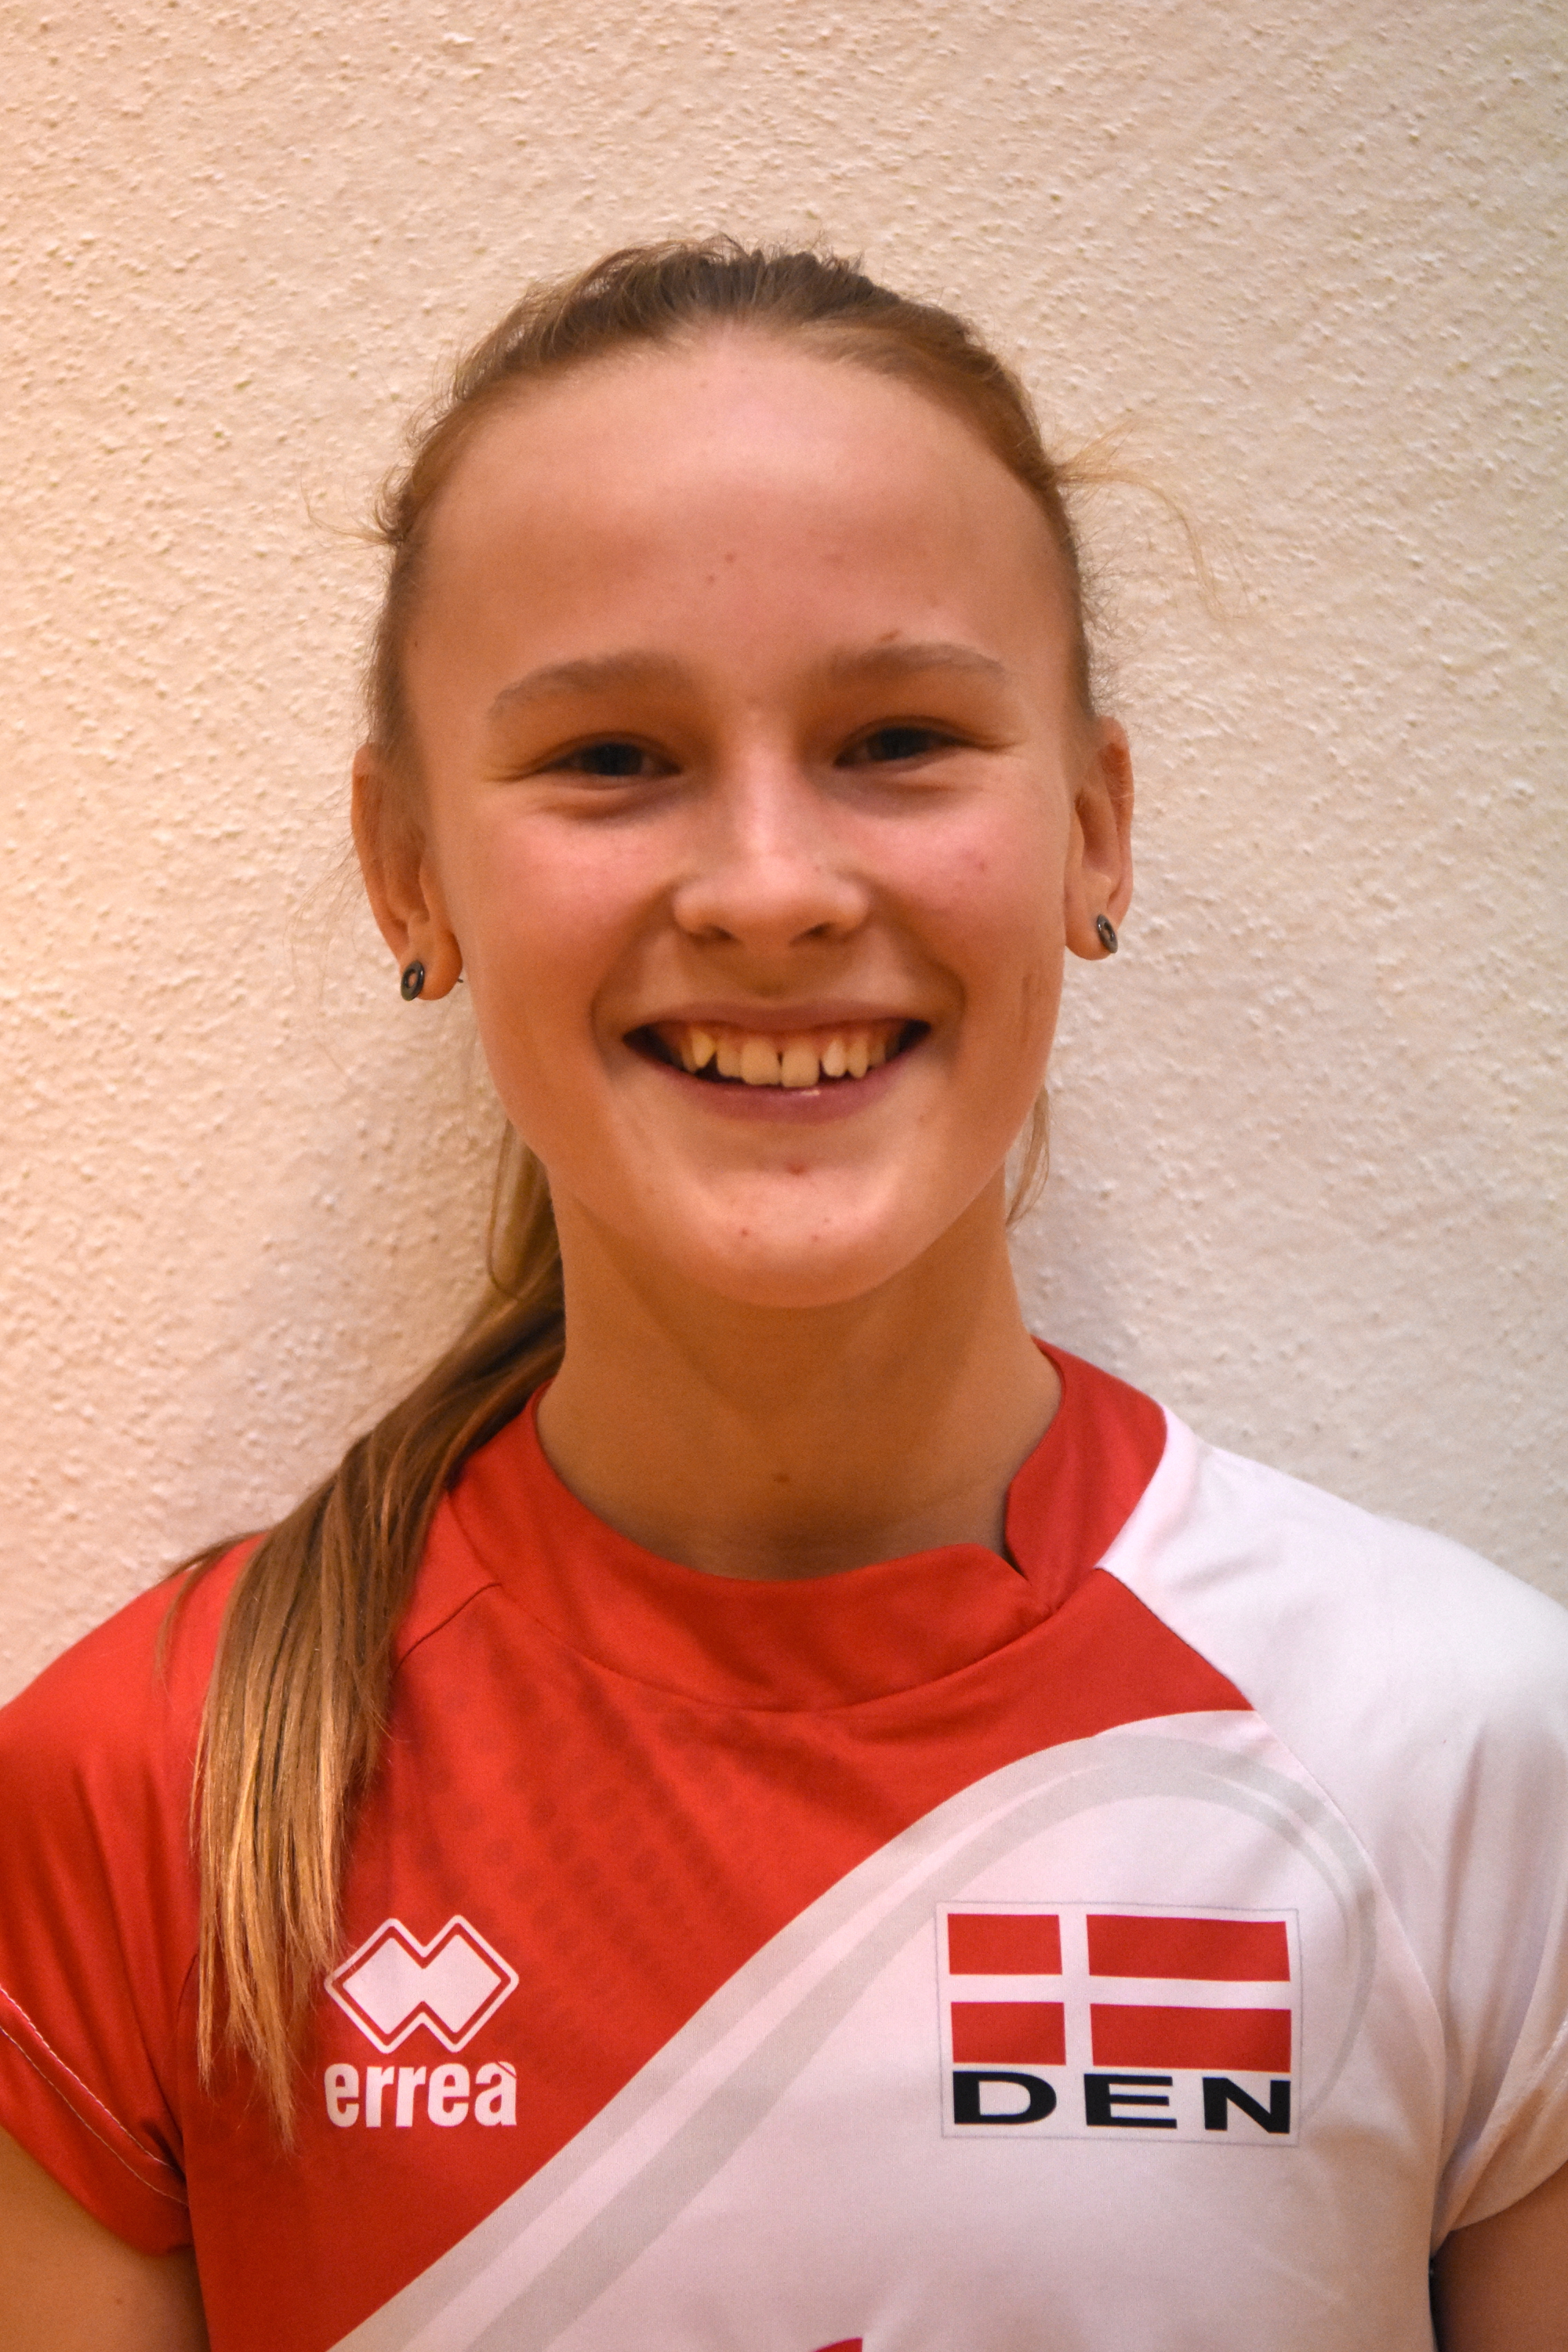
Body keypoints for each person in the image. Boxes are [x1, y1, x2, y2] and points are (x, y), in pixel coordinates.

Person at [0, 239, 1563, 2352]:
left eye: (898, 737)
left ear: (1095, 831)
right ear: (408, 870)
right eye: (610, 757)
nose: (768, 888)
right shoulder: (140, 1792)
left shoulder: (1476, 1757)